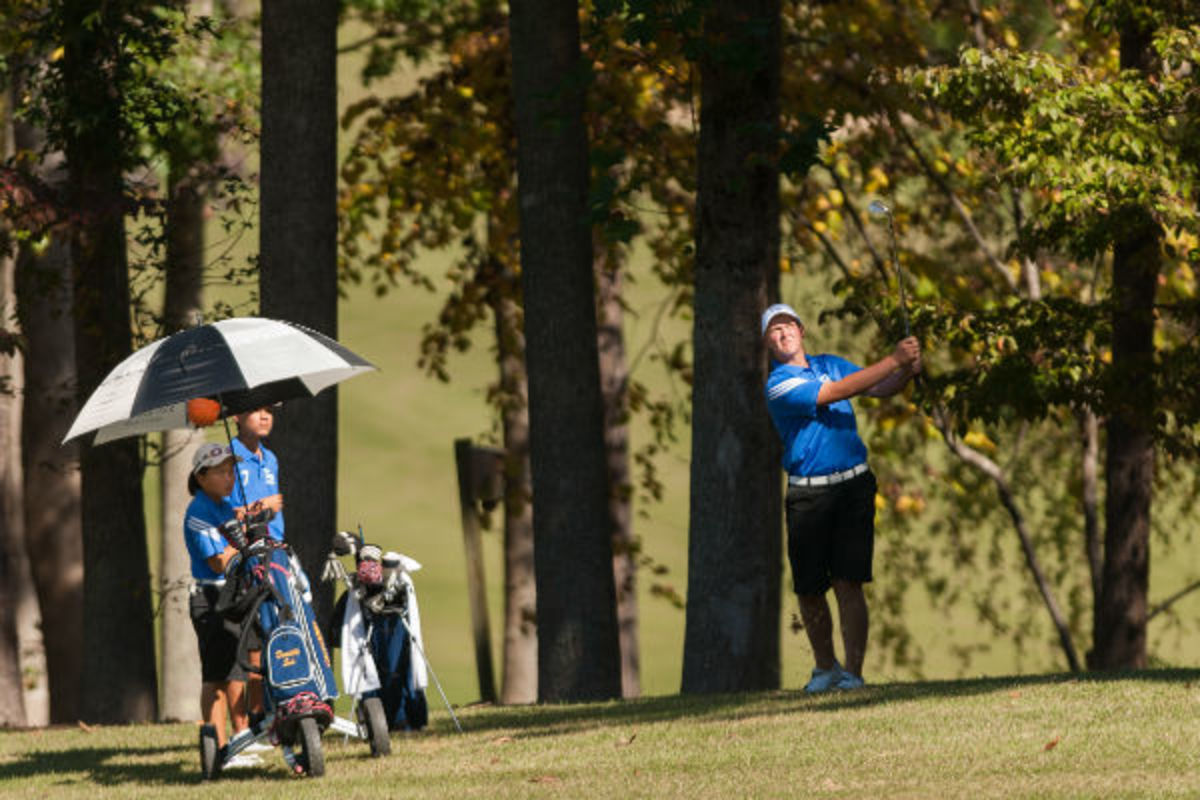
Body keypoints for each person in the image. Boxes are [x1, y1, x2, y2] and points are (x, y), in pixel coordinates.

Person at [761, 303, 921, 693]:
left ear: (801, 330)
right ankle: (824, 669)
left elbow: (877, 387)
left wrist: (906, 372)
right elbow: (838, 391)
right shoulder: (778, 384)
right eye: (774, 332)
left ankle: (853, 673)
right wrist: (894, 358)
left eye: (787, 327)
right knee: (811, 588)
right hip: (808, 495)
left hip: (853, 487)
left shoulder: (830, 362)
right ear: (769, 343)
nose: (783, 335)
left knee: (850, 582)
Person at [184, 442, 261, 766]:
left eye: (231, 471)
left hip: (232, 594)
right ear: (201, 478)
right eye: (220, 472)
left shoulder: (225, 506)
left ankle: (239, 740)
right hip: (211, 597)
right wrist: (243, 545)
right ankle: (218, 747)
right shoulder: (198, 512)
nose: (229, 477)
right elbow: (218, 561)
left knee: (236, 669)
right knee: (215, 676)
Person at [227, 405, 285, 542]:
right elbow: (223, 515)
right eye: (255, 410)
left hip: (275, 541)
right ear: (237, 416)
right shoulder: (227, 459)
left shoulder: (270, 458)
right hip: (243, 545)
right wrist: (263, 506)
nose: (264, 417)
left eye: (269, 411)